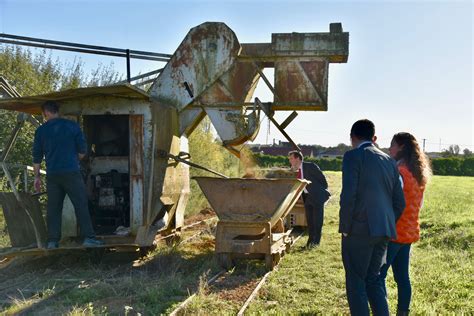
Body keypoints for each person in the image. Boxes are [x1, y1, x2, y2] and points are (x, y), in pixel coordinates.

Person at [339, 119, 405, 316]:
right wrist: (387, 223)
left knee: (356, 284)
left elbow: (348, 195)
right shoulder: (389, 161)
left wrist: (345, 226)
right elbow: (399, 203)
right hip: (384, 230)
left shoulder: (353, 156)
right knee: (374, 280)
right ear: (373, 138)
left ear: (353, 137)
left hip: (359, 230)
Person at [33, 100, 104, 249]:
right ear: (57, 111)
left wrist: (37, 178)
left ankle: (53, 241)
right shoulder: (72, 126)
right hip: (71, 172)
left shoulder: (41, 131)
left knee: (53, 208)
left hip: (53, 174)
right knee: (81, 204)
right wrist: (72, 160)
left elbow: (37, 157)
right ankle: (89, 238)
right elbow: (83, 152)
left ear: (46, 112)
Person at [379, 132, 431, 316]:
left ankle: (382, 312)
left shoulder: (399, 172)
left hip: (393, 233)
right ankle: (403, 313)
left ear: (401, 147)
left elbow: (391, 204)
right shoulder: (419, 175)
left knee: (378, 277)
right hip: (409, 233)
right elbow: (419, 205)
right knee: (402, 278)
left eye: (392, 145)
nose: (389, 148)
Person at [288, 150, 330, 248]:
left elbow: (323, 180)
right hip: (307, 198)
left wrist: (318, 191)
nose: (289, 161)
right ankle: (310, 242)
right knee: (310, 221)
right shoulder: (295, 170)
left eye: (291, 158)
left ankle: (316, 243)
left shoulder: (310, 166)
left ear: (298, 158)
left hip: (317, 196)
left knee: (317, 221)